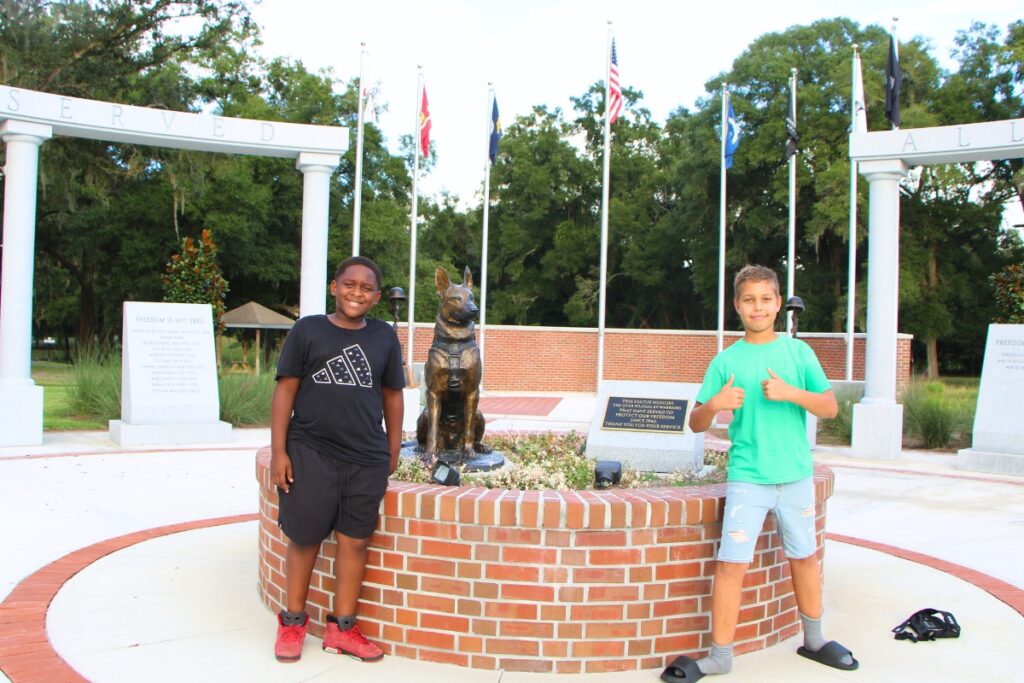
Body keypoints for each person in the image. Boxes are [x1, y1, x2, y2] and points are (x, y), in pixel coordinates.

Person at [661, 265, 856, 682]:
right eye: (749, 300)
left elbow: (829, 407)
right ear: (737, 305)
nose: (758, 307)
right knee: (731, 565)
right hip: (748, 478)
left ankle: (816, 640)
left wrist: (790, 393)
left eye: (766, 299)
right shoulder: (726, 360)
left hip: (795, 476)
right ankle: (720, 656)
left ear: (779, 303)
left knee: (804, 557)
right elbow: (695, 423)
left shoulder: (798, 354)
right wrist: (715, 404)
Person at [270, 256, 405, 663]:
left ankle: (342, 629)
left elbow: (393, 395)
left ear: (377, 297)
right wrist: (279, 451)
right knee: (305, 538)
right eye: (350, 284)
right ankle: (293, 623)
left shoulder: (384, 336)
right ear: (335, 287)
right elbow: (285, 391)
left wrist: (393, 448)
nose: (357, 293)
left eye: (366, 288)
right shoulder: (308, 329)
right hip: (311, 451)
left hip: (365, 456)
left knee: (356, 541)